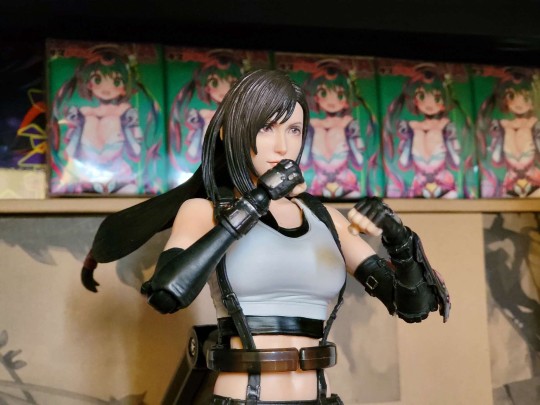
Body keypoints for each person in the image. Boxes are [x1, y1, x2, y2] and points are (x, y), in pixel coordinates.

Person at [83, 69, 450, 404]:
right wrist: (258, 199)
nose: (282, 146)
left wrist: (398, 239)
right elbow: (166, 294)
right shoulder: (204, 212)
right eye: (266, 128)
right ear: (230, 133)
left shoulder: (324, 219)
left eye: (294, 130)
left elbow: (413, 307)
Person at [50, 44, 163, 194]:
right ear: (88, 83)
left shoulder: (126, 114)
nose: (106, 87)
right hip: (85, 178)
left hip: (121, 176)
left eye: (116, 81)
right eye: (98, 79)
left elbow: (136, 151)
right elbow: (69, 152)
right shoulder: (83, 114)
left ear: (124, 87)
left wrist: (127, 125)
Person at [477, 67, 540, 197]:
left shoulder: (534, 124)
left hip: (534, 180)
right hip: (509, 182)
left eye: (526, 97)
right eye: (511, 96)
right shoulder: (501, 126)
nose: (519, 103)